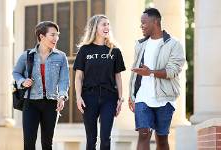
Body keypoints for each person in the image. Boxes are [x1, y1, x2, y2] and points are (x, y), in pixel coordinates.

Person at [129, 8, 185, 150]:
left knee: (161, 139)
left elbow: (172, 71)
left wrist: (151, 73)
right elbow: (135, 73)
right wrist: (131, 95)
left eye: (144, 23)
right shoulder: (140, 44)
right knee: (143, 134)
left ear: (156, 22)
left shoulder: (174, 44)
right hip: (142, 97)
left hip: (164, 98)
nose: (141, 26)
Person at [12, 21, 69, 150]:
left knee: (47, 143)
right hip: (30, 102)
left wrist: (62, 96)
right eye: (52, 35)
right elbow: (16, 72)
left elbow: (64, 80)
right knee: (29, 143)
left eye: (57, 35)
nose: (56, 38)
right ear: (41, 36)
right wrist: (23, 81)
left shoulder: (61, 57)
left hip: (51, 103)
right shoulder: (27, 55)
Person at [73, 14, 126, 150]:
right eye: (103, 24)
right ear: (94, 27)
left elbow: (118, 77)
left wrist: (120, 98)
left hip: (109, 98)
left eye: (108, 24)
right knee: (91, 140)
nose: (107, 27)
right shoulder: (84, 50)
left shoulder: (114, 51)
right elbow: (79, 77)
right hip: (89, 97)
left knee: (105, 139)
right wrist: (78, 97)